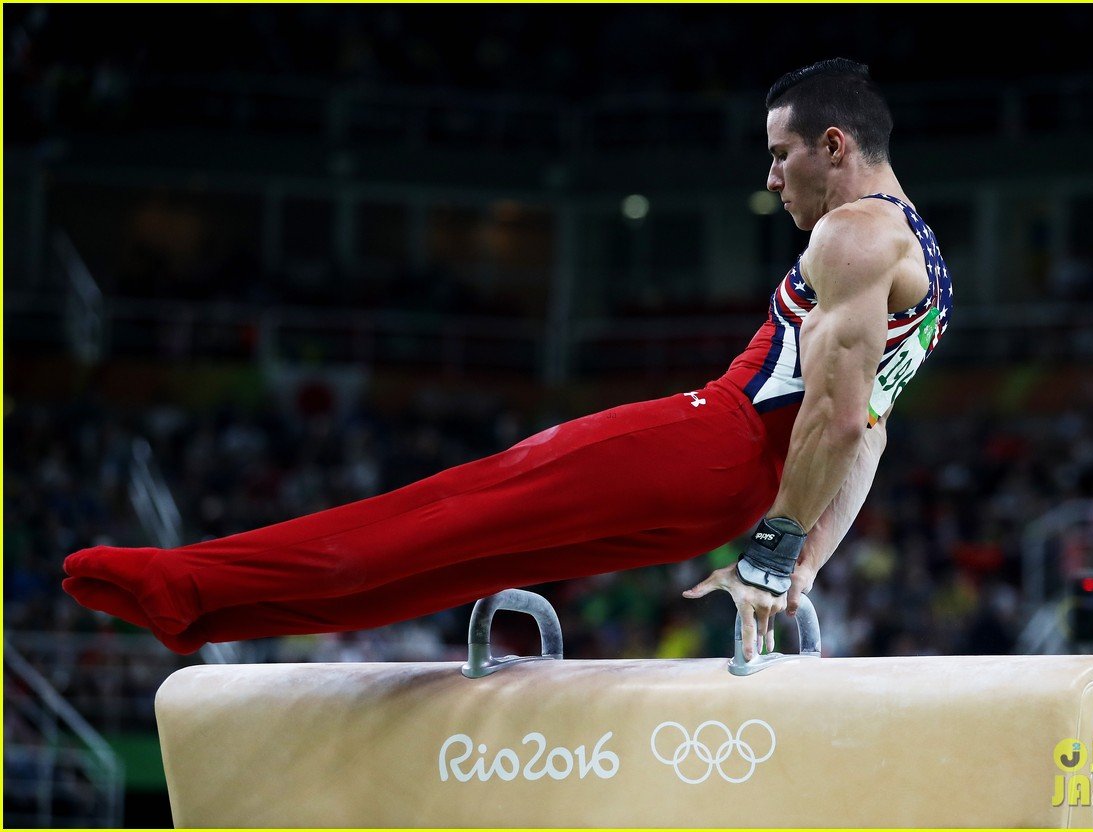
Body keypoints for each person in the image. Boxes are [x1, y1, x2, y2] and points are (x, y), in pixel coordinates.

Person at [62, 58, 952, 660]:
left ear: (833, 147)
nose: (770, 180)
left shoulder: (855, 233)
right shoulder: (931, 269)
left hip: (707, 447)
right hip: (727, 500)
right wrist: (800, 563)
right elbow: (865, 433)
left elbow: (837, 418)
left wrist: (773, 554)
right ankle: (209, 609)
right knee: (464, 561)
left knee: (447, 512)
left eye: (780, 155)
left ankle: (185, 575)